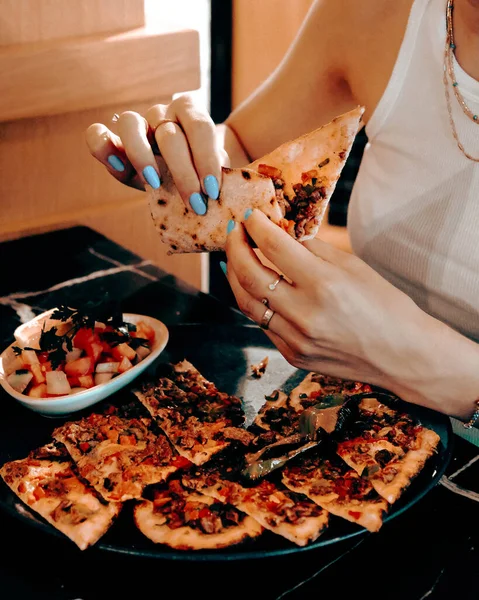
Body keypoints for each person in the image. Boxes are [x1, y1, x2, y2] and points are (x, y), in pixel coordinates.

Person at [85, 0, 479, 434]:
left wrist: (407, 357)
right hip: (350, 423)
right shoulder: (376, 11)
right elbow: (249, 151)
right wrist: (184, 161)